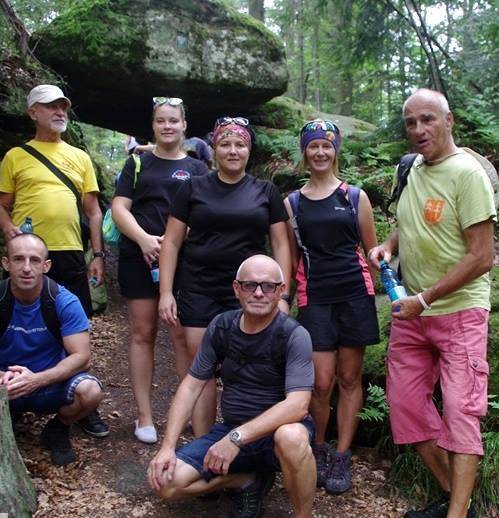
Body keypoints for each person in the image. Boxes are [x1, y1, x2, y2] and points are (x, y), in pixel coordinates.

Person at [367, 89, 496, 518]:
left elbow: (482, 256)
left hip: (459, 313)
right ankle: (454, 497)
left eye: (428, 119)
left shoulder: (468, 174)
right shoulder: (412, 169)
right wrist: (388, 246)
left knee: (461, 415)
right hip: (412, 316)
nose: (419, 130)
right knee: (405, 408)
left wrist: (425, 299)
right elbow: (412, 223)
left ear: (448, 120)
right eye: (410, 122)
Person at [148, 255, 317, 518]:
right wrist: (167, 446)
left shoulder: (294, 335)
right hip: (232, 431)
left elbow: (298, 405)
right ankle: (248, 480)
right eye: (250, 285)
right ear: (237, 289)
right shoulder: (222, 327)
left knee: (291, 436)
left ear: (281, 291)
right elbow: (191, 385)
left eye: (268, 286)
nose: (259, 293)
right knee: (167, 485)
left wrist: (236, 438)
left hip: (275, 435)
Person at [158, 117, 292, 436]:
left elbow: (280, 244)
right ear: (214, 149)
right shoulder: (192, 187)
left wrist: (282, 295)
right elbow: (172, 242)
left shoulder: (266, 191)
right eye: (225, 144)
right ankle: (203, 444)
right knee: (201, 368)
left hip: (251, 292)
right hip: (198, 287)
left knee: (249, 365)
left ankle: (247, 442)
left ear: (249, 150)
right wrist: (166, 292)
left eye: (240, 144)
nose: (233, 151)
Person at [0, 84, 108, 438]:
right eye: (50, 106)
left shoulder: (79, 157)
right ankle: (12, 394)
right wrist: (8, 228)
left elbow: (93, 212)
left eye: (62, 107)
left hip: (69, 252)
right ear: (33, 113)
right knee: (16, 322)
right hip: (28, 255)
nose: (59, 112)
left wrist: (97, 254)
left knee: (77, 326)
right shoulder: (16, 156)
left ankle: (81, 402)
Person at [0, 234, 104, 466]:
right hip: (1, 385)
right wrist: (3, 379)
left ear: (46, 266)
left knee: (90, 391)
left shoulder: (64, 301)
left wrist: (36, 380)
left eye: (34, 260)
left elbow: (82, 357)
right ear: (6, 263)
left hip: (48, 385)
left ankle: (58, 428)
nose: (26, 268)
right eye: (18, 259)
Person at [284, 120, 379, 495]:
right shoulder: (293, 203)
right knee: (321, 382)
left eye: (326, 145)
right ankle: (319, 446)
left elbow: (371, 251)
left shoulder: (354, 197)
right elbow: (292, 260)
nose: (320, 152)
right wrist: (285, 299)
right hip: (315, 296)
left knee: (350, 378)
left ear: (336, 150)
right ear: (304, 152)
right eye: (313, 146)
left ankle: (342, 454)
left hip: (355, 292)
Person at [110, 97, 208, 444]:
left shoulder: (198, 168)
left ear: (184, 126)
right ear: (152, 126)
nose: (168, 126)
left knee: (182, 335)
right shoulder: (137, 163)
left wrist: (173, 242)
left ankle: (189, 413)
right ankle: (145, 416)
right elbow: (120, 207)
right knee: (143, 332)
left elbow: (205, 211)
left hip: (183, 261)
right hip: (139, 257)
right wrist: (143, 239)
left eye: (174, 121)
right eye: (161, 121)